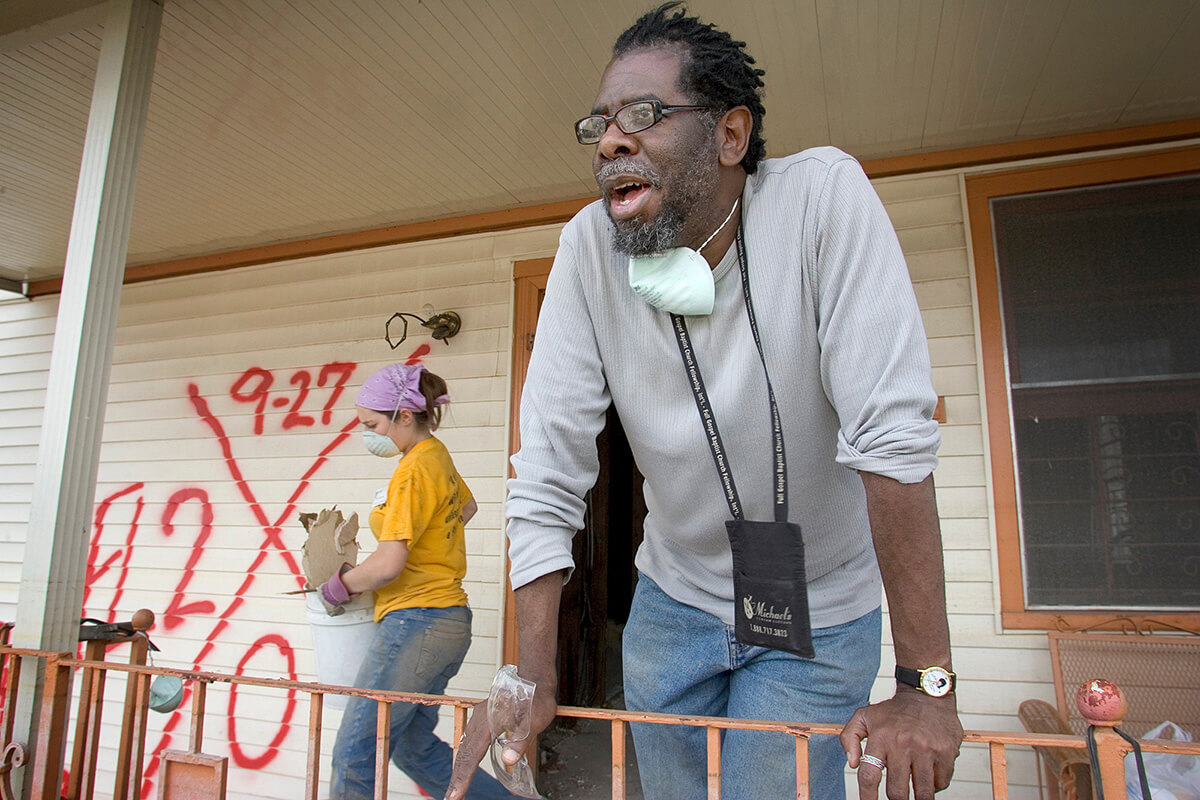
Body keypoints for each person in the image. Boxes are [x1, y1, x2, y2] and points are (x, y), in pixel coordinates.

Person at [448, 3, 963, 799]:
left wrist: (927, 688)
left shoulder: (822, 200)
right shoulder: (588, 250)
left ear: (730, 136)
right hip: (673, 604)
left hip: (820, 612)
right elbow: (547, 475)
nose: (612, 140)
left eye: (644, 115)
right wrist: (529, 674)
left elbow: (892, 442)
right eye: (600, 125)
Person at [320, 363, 517, 800]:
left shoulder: (412, 470)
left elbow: (389, 562)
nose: (369, 435)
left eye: (372, 425)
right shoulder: (437, 457)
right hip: (449, 621)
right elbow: (465, 509)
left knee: (355, 753)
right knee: (413, 748)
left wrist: (342, 584)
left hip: (417, 620)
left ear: (404, 416)